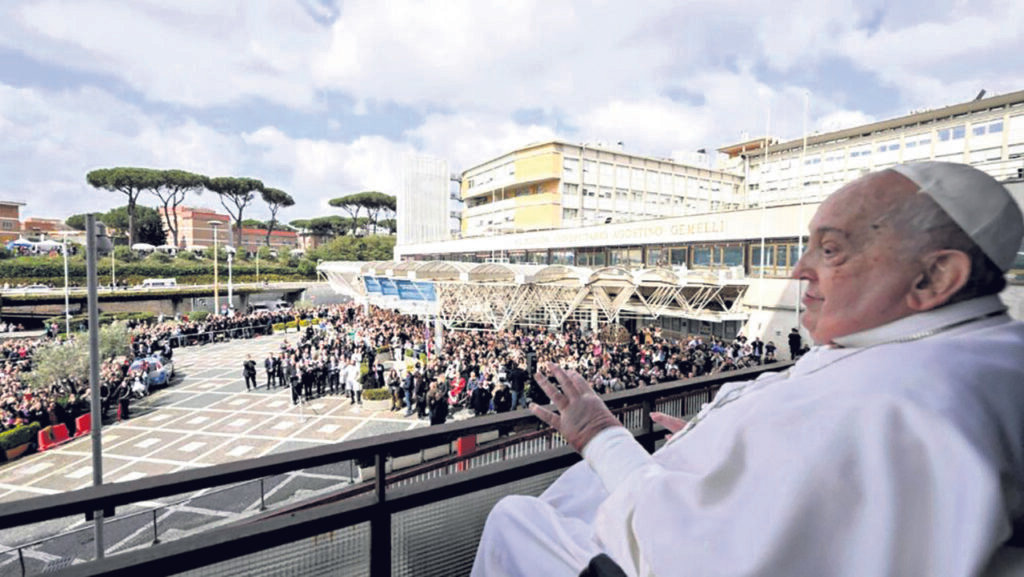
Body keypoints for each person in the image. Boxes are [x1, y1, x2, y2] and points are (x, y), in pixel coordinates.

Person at [472, 162, 1024, 577]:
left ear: (934, 277)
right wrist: (728, 446)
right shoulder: (965, 348)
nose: (801, 269)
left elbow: (693, 551)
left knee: (515, 519)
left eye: (830, 250)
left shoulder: (894, 400)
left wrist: (599, 434)